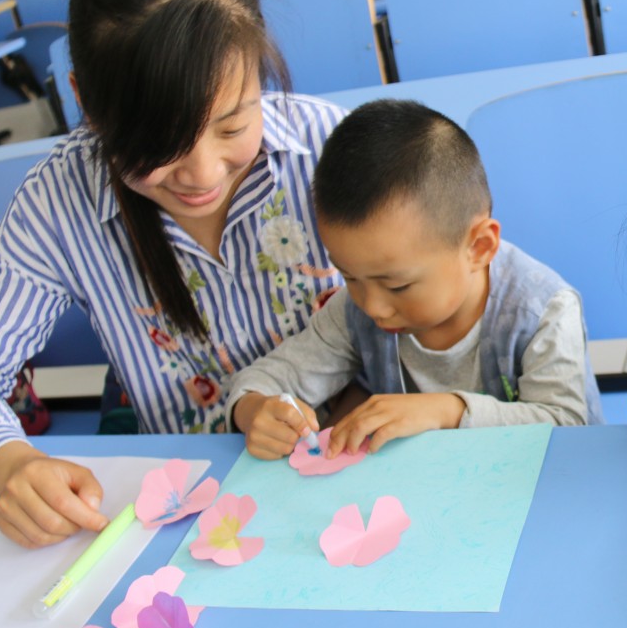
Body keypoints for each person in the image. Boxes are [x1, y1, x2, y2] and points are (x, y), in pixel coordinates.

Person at [0, 0, 346, 548]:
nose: (202, 174)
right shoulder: (58, 203)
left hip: (351, 466)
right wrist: (10, 463)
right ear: (85, 103)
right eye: (160, 143)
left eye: (232, 127)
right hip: (187, 515)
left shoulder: (327, 147)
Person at [227, 99, 604, 459]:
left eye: (397, 286)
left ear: (479, 247)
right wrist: (254, 408)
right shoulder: (355, 309)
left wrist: (447, 411)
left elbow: (567, 425)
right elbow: (268, 379)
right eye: (349, 277)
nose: (373, 305)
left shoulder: (541, 310)